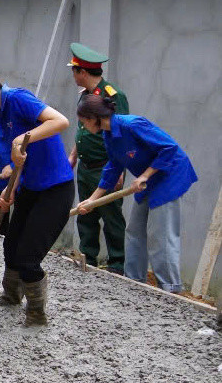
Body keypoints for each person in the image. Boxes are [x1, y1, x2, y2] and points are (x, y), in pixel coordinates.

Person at [0, 62, 74, 326]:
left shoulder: (17, 99)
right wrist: (11, 190)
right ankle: (11, 296)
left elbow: (61, 121)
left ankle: (37, 314)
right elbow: (22, 161)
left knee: (29, 257)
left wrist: (20, 139)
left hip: (55, 188)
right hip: (30, 185)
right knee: (11, 244)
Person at [74, 93, 197, 293]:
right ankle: (134, 283)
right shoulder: (108, 134)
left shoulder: (132, 125)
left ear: (93, 117)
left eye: (83, 122)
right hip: (147, 180)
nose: (83, 127)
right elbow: (112, 168)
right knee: (134, 230)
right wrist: (91, 200)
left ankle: (170, 289)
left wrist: (144, 176)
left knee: (161, 234)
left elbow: (169, 148)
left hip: (168, 176)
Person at [66, 43, 128, 274]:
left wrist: (120, 170)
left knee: (112, 218)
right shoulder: (85, 96)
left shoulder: (113, 96)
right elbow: (83, 128)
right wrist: (73, 154)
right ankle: (88, 258)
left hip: (107, 166)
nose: (72, 74)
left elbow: (120, 133)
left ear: (82, 72)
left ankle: (117, 265)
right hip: (85, 165)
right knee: (85, 213)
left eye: (74, 70)